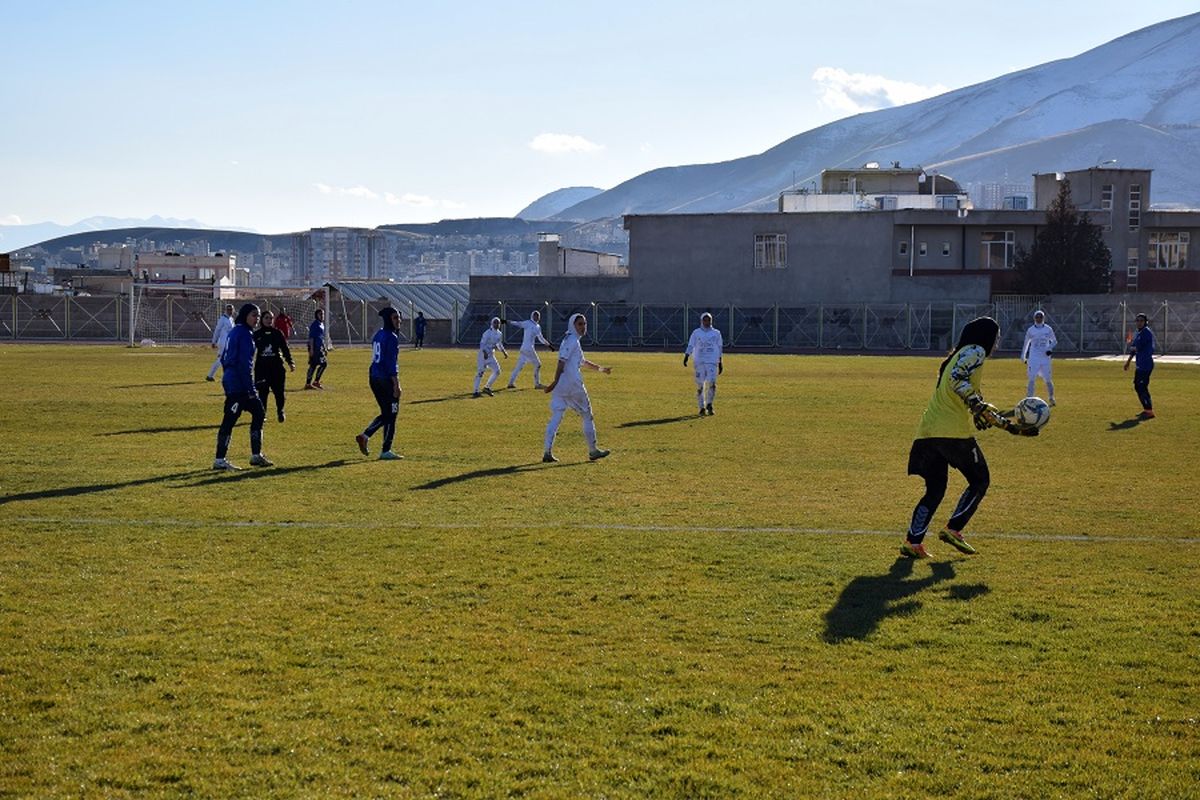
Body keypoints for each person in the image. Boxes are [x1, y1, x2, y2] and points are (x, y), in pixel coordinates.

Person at [901, 316, 1038, 559]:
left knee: (935, 490)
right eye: (996, 337)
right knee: (980, 480)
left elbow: (979, 404)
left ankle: (913, 543)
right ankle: (954, 529)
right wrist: (975, 404)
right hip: (952, 433)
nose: (997, 342)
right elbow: (958, 379)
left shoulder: (960, 355)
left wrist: (1012, 428)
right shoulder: (975, 351)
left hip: (927, 432)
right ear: (987, 337)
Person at [543, 313, 612, 463]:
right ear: (572, 325)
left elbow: (583, 362)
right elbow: (561, 362)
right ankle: (593, 450)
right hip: (572, 385)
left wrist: (601, 369)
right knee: (587, 415)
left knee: (557, 416)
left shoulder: (571, 339)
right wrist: (554, 381)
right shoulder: (572, 340)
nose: (583, 327)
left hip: (562, 386)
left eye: (584, 324)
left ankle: (547, 452)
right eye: (580, 324)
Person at [213, 303, 271, 470]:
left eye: (258, 315)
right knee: (230, 419)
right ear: (245, 315)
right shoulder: (244, 334)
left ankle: (256, 455)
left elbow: (224, 357)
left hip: (232, 379)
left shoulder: (235, 331)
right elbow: (244, 364)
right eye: (254, 315)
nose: (257, 318)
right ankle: (219, 460)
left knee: (259, 412)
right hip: (238, 384)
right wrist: (251, 389)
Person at [356, 307, 404, 460]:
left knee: (386, 413)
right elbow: (391, 363)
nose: (399, 321)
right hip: (385, 379)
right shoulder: (391, 337)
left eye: (399, 317)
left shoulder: (378, 334)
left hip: (374, 377)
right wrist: (396, 384)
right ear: (388, 319)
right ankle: (384, 449)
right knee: (392, 414)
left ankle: (366, 436)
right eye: (395, 318)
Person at [253, 309, 295, 423]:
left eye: (271, 318)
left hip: (276, 368)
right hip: (262, 368)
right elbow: (249, 351)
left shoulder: (277, 333)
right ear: (262, 319)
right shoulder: (256, 335)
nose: (268, 320)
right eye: (266, 318)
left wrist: (290, 362)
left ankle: (280, 411)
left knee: (279, 392)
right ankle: (263, 414)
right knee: (263, 392)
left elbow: (285, 349)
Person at [684, 311, 724, 415]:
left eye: (709, 320)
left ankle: (709, 404)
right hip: (699, 361)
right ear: (701, 321)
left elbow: (719, 347)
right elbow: (691, 345)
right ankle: (701, 407)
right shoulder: (696, 332)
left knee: (712, 383)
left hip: (711, 361)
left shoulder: (716, 333)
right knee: (700, 385)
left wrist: (720, 362)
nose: (707, 322)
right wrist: (687, 355)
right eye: (705, 320)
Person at [1021, 310, 1057, 406]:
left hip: (1045, 358)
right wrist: (1023, 356)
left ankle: (1051, 398)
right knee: (1031, 378)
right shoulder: (1031, 330)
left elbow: (1054, 341)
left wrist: (1049, 348)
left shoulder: (1048, 329)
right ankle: (1029, 399)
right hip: (1034, 358)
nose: (1039, 319)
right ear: (1034, 318)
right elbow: (1026, 343)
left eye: (1040, 317)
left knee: (1048, 379)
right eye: (1037, 317)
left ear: (1043, 318)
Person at [506, 310, 551, 389]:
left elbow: (540, 338)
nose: (537, 317)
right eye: (536, 315)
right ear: (532, 316)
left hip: (524, 349)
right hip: (528, 349)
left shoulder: (537, 326)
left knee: (519, 366)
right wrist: (508, 321)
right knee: (538, 364)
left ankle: (510, 383)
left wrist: (547, 344)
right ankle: (537, 384)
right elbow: (518, 323)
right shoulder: (528, 323)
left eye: (538, 315)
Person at [1123, 312, 1156, 419]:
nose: (1139, 322)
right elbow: (1133, 349)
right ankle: (1146, 409)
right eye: (1137, 320)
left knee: (1141, 386)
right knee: (1138, 386)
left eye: (1141, 320)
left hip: (1146, 364)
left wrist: (1134, 347)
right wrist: (1128, 362)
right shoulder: (1138, 333)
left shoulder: (1146, 332)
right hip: (1140, 364)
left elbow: (1138, 347)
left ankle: (1149, 411)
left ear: (1145, 322)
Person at [473, 316, 507, 397]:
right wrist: (484, 352)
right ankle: (475, 391)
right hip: (483, 355)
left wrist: (504, 352)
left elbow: (499, 344)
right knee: (480, 372)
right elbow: (482, 344)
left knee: (497, 371)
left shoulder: (499, 333)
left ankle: (487, 387)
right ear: (492, 323)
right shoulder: (487, 333)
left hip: (491, 355)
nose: (497, 324)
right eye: (495, 322)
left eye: (498, 322)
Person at [205, 303, 235, 381]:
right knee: (221, 359)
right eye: (228, 309)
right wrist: (213, 341)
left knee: (224, 359)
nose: (230, 311)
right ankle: (210, 375)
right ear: (225, 310)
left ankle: (211, 375)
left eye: (231, 309)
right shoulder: (222, 319)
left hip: (229, 342)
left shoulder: (231, 319)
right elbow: (217, 331)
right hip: (223, 342)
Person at [304, 308, 328, 389]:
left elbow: (321, 338)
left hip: (319, 348)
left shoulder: (321, 324)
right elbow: (311, 338)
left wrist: (324, 348)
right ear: (316, 315)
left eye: (323, 314)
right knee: (314, 365)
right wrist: (311, 349)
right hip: (314, 348)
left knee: (322, 364)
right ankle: (309, 383)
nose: (322, 316)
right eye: (320, 314)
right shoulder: (315, 325)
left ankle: (315, 382)